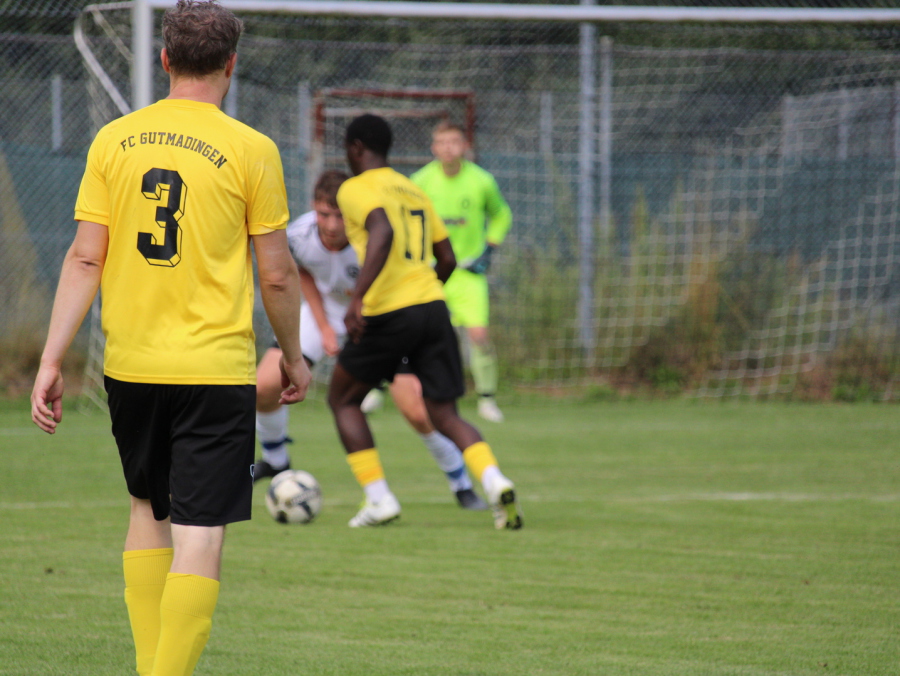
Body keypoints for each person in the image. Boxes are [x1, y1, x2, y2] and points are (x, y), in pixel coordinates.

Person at [30, 2, 311, 675]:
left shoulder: (114, 140)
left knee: (146, 512)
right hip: (214, 369)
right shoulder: (251, 149)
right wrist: (294, 357)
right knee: (200, 534)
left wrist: (50, 359)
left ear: (164, 60)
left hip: (130, 366)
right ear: (231, 64)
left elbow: (85, 258)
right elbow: (276, 273)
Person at [327, 113, 523, 530]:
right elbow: (446, 257)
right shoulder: (413, 189)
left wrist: (358, 298)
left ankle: (379, 498)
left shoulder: (354, 188)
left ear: (356, 148)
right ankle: (494, 480)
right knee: (444, 413)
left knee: (343, 400)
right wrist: (424, 297)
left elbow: (382, 231)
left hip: (388, 311)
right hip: (433, 306)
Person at [253, 170, 487, 510]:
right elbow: (299, 270)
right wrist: (324, 326)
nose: (332, 225)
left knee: (417, 410)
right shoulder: (298, 235)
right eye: (324, 214)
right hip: (326, 316)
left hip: (379, 320)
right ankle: (276, 461)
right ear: (313, 208)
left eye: (339, 216)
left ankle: (461, 484)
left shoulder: (372, 239)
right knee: (263, 386)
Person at [402, 121, 513, 423]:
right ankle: (383, 389)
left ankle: (487, 399)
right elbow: (407, 220)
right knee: (413, 333)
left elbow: (501, 215)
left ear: (464, 146)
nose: (448, 148)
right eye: (442, 142)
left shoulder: (481, 181)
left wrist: (489, 249)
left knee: (478, 335)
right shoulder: (420, 181)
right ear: (433, 148)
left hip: (467, 274)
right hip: (432, 274)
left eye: (454, 141)